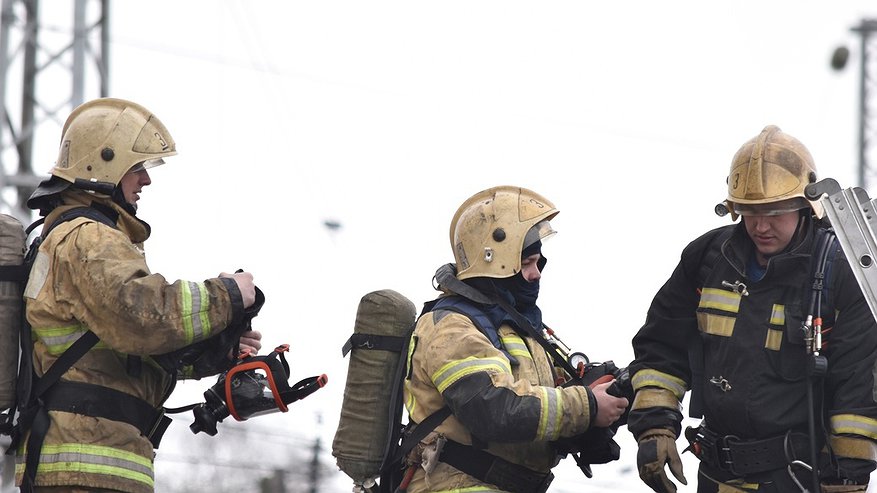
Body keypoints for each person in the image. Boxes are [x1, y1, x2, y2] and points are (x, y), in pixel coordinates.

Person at [14, 97, 262, 493]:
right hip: (83, 468)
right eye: (137, 168)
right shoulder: (88, 237)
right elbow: (139, 316)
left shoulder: (76, 238)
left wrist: (214, 352)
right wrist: (228, 295)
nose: (145, 180)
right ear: (103, 163)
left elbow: (121, 354)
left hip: (93, 465)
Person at [627, 125, 877, 493]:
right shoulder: (707, 259)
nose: (761, 225)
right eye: (749, 211)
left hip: (796, 477)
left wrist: (848, 476)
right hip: (714, 473)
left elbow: (855, 384)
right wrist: (656, 425)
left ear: (804, 205)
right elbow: (662, 347)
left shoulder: (842, 274)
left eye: (775, 211)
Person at [400, 185, 629, 493]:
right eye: (526, 263)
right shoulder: (450, 326)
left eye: (539, 263)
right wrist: (587, 405)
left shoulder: (525, 333)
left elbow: (551, 402)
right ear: (493, 262)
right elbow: (492, 409)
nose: (536, 274)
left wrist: (624, 392)